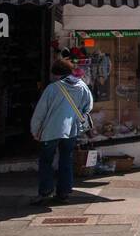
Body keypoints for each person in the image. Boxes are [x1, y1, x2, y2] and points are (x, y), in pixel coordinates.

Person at [30, 57, 93, 205]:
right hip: (71, 130)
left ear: (57, 74)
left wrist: (35, 130)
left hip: (50, 130)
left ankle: (45, 192)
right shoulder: (82, 86)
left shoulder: (52, 88)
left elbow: (40, 112)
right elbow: (88, 107)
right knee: (66, 159)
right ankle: (64, 193)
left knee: (46, 161)